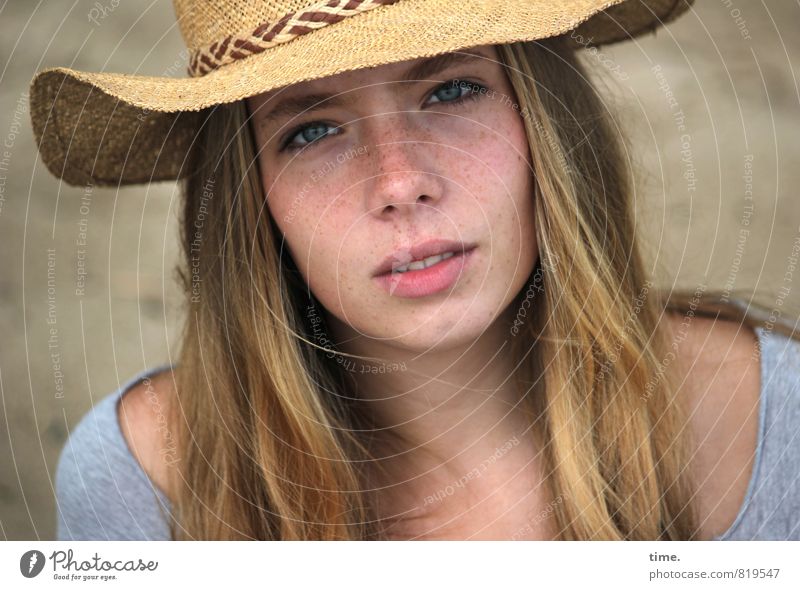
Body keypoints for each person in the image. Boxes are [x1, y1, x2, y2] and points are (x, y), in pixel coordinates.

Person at [31, 0, 800, 541]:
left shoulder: (773, 416)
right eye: (313, 130)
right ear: (252, 203)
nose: (400, 183)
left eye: (452, 89)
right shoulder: (144, 482)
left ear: (548, 127)